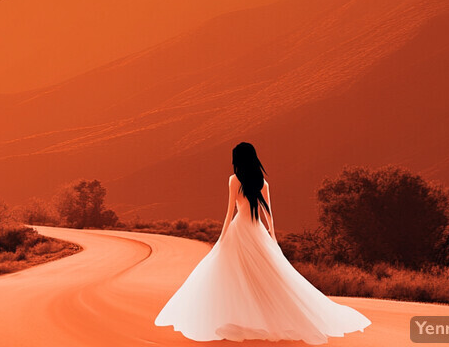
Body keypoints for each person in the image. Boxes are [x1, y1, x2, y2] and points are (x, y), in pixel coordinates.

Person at [154, 143, 371, 344]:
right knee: (267, 276)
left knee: (232, 275)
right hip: (257, 231)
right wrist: (272, 238)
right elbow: (270, 215)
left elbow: (229, 213)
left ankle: (240, 317)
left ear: (238, 159)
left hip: (239, 232)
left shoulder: (233, 180)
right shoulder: (263, 182)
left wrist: (222, 237)